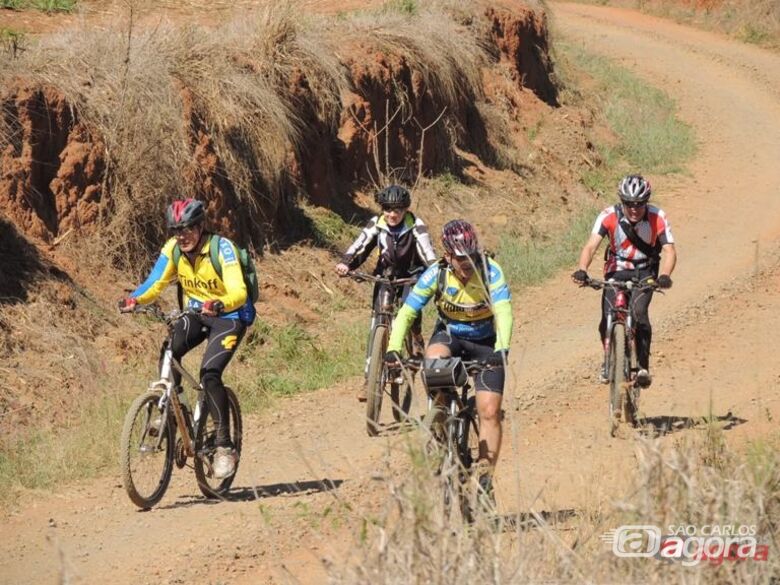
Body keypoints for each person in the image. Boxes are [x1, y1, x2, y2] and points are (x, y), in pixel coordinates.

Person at [118, 198, 256, 480]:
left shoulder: (222, 249)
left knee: (209, 374)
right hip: (196, 313)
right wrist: (135, 298)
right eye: (176, 230)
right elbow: (155, 282)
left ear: (201, 226)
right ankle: (170, 409)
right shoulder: (173, 250)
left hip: (229, 317)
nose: (182, 236)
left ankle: (223, 447)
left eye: (188, 229)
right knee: (169, 350)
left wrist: (220, 302)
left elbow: (239, 291)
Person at [385, 219, 513, 497]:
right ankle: (441, 414)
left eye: (471, 256)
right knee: (433, 361)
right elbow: (407, 312)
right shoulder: (436, 274)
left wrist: (502, 348)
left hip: (486, 342)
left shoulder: (491, 271)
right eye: (460, 259)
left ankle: (484, 475)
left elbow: (503, 311)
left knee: (489, 411)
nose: (466, 264)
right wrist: (393, 349)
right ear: (447, 257)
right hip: (450, 335)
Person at [571, 175, 676, 387]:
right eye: (629, 204)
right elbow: (591, 246)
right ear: (622, 201)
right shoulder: (608, 216)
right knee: (607, 316)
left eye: (639, 204)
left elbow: (669, 251)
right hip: (616, 270)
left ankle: (643, 367)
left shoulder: (658, 217)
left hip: (645, 270)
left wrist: (665, 275)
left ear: (646, 202)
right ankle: (609, 360)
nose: (634, 209)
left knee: (639, 313)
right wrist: (582, 269)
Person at [335, 185, 437, 401]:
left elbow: (428, 253)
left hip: (412, 276)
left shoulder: (416, 226)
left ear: (405, 210)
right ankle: (368, 379)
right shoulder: (377, 224)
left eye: (397, 210)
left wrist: (434, 272)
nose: (392, 214)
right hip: (386, 276)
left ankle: (416, 338)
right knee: (377, 324)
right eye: (388, 209)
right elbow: (360, 245)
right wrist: (346, 262)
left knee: (409, 312)